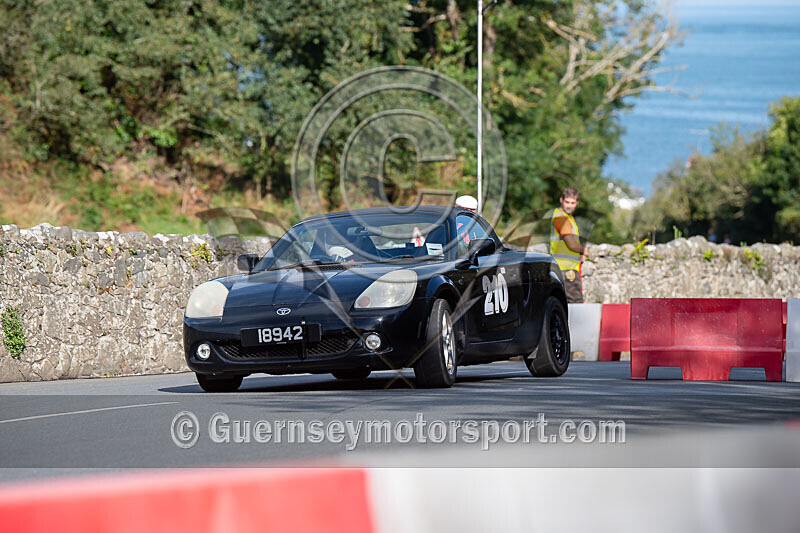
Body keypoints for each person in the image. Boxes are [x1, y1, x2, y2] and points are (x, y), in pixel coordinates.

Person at [550, 187, 587, 303]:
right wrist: (583, 250)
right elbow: (571, 243)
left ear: (577, 203)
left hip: (565, 267)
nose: (569, 205)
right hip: (566, 269)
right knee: (575, 303)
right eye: (567, 202)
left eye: (572, 202)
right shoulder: (561, 217)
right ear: (561, 200)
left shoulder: (567, 217)